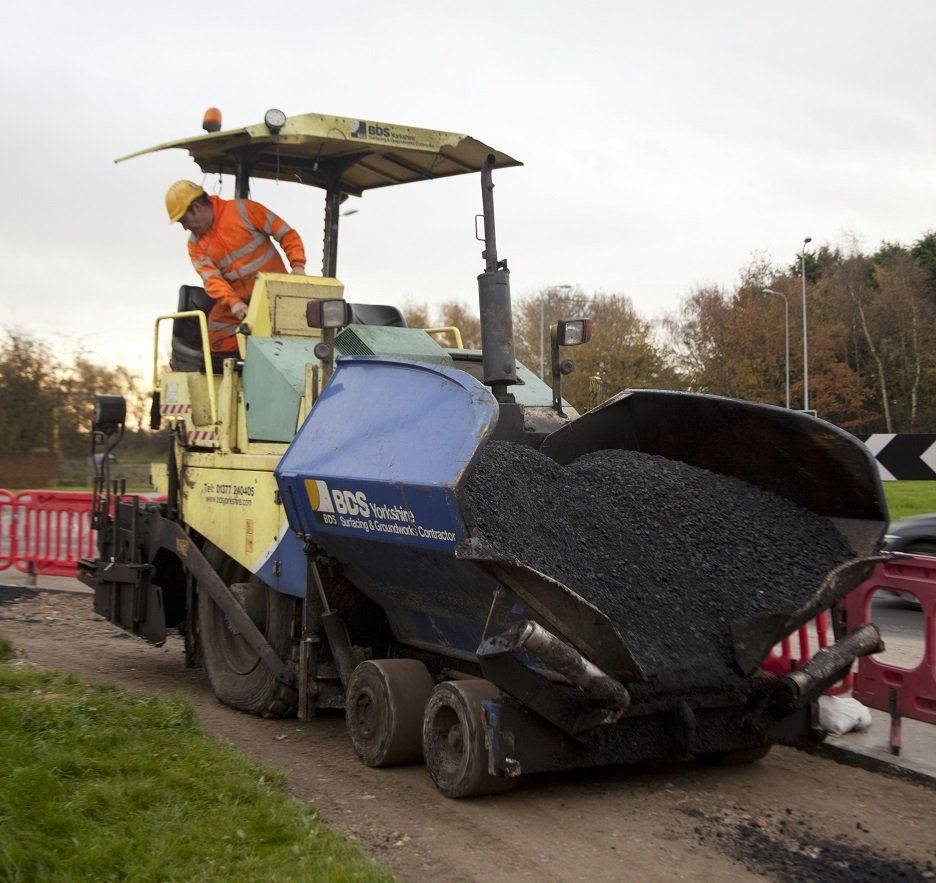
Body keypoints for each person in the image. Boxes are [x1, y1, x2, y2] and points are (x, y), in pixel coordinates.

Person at [165, 180, 308, 354]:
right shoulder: (195, 244)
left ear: (195, 208)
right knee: (217, 332)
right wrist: (234, 304)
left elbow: (286, 234)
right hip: (239, 303)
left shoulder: (244, 210)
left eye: (183, 221)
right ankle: (240, 370)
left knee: (289, 333)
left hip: (275, 294)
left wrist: (298, 266)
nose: (185, 227)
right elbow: (212, 280)